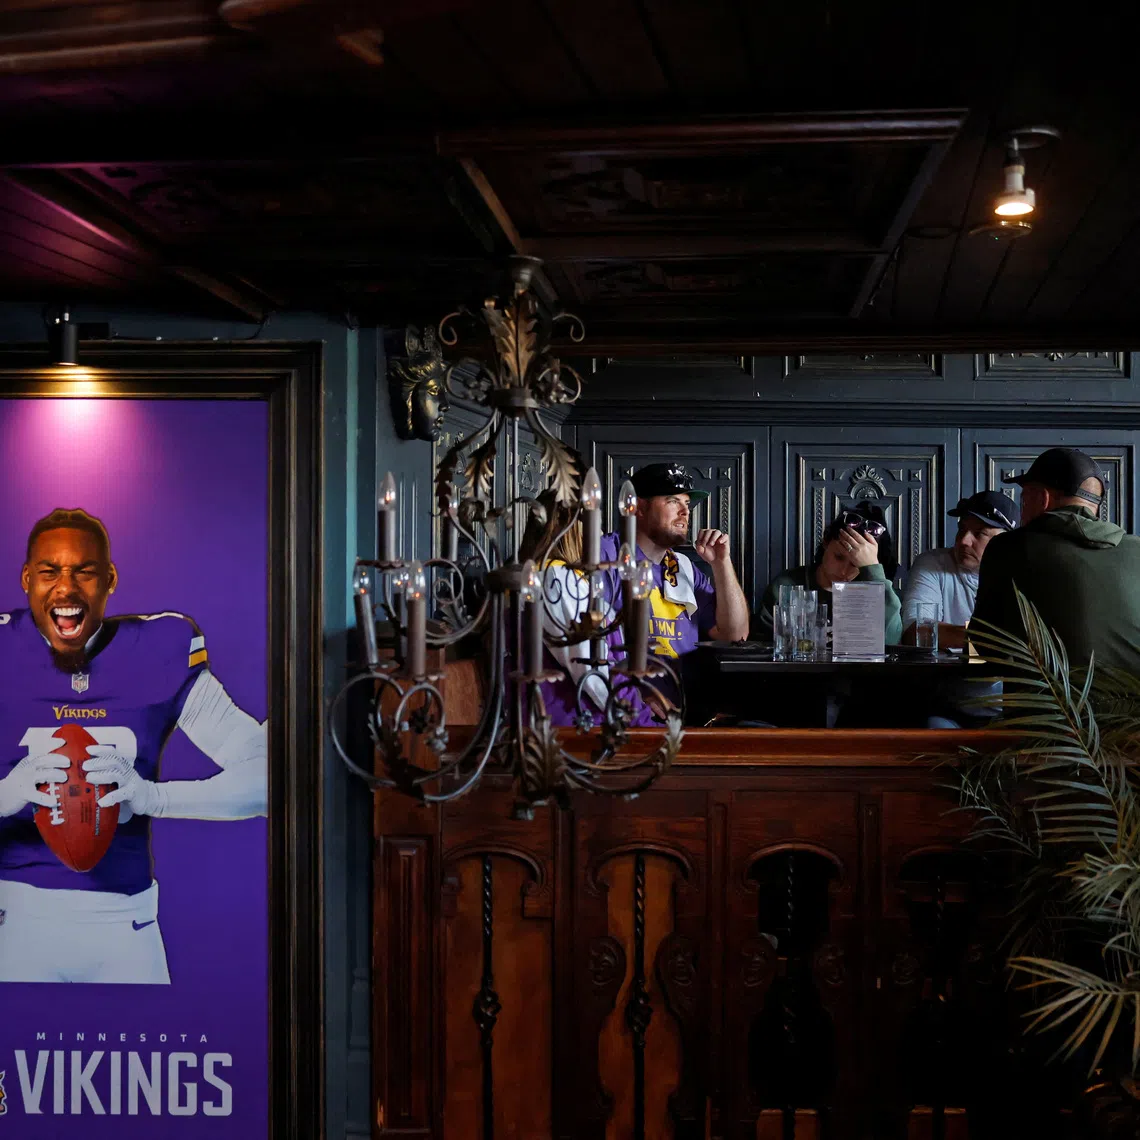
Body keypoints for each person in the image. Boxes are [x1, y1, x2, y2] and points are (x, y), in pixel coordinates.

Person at [0, 508, 268, 984]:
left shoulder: (158, 648)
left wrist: (154, 798)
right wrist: (6, 794)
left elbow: (270, 780)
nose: (66, 588)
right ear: (26, 580)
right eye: (49, 572)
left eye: (84, 571)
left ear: (110, 580)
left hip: (125, 927)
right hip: (14, 920)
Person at [972, 447, 1140, 673]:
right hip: (1128, 706)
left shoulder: (1009, 548)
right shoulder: (1136, 549)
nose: (1021, 514)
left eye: (1024, 502)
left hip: (1052, 706)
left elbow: (987, 645)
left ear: (1043, 499)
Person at [759, 502, 903, 644]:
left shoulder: (871, 590)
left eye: (855, 564)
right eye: (839, 557)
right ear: (826, 542)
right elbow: (761, 643)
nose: (844, 572)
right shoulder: (787, 586)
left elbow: (891, 641)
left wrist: (872, 568)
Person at [902, 491, 1020, 639]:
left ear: (1005, 542)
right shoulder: (932, 564)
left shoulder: (1021, 574)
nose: (964, 541)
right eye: (962, 529)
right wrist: (992, 639)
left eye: (979, 533)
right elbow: (916, 631)